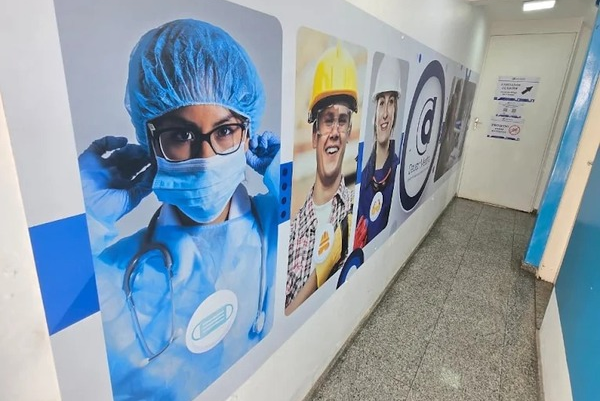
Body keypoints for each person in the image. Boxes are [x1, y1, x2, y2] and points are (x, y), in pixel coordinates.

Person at [77, 19, 279, 401]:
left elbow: (322, 217)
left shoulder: (273, 229)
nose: (205, 157)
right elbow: (42, 324)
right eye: (181, 135)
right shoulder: (113, 273)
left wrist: (286, 175)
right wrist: (84, 216)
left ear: (248, 134)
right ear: (150, 142)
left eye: (225, 131)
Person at [286, 44, 357, 314]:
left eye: (342, 121)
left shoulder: (354, 212)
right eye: (328, 120)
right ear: (315, 135)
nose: (335, 132)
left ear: (348, 133)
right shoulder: (292, 228)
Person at [354, 56, 402, 248]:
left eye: (391, 102)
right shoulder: (361, 173)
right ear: (374, 112)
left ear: (396, 110)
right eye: (381, 103)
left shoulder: (397, 172)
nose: (385, 113)